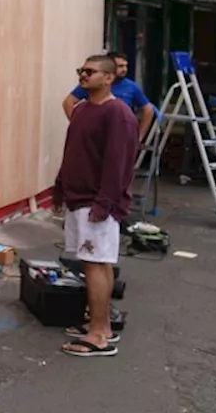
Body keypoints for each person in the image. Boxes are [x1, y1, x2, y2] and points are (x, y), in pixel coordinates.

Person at [52, 54, 139, 358]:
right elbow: (72, 152)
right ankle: (100, 324)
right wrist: (60, 187)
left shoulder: (119, 115)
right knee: (96, 263)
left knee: (95, 264)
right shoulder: (81, 110)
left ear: (108, 78)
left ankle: (99, 335)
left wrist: (104, 203)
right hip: (78, 199)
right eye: (81, 70)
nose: (83, 76)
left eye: (90, 71)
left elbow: (119, 166)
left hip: (96, 204)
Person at [62, 51, 154, 142]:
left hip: (119, 135)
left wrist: (139, 137)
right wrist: (80, 127)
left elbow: (148, 110)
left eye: (126, 66)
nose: (124, 69)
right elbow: (68, 102)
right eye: (120, 66)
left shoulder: (130, 91)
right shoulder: (91, 85)